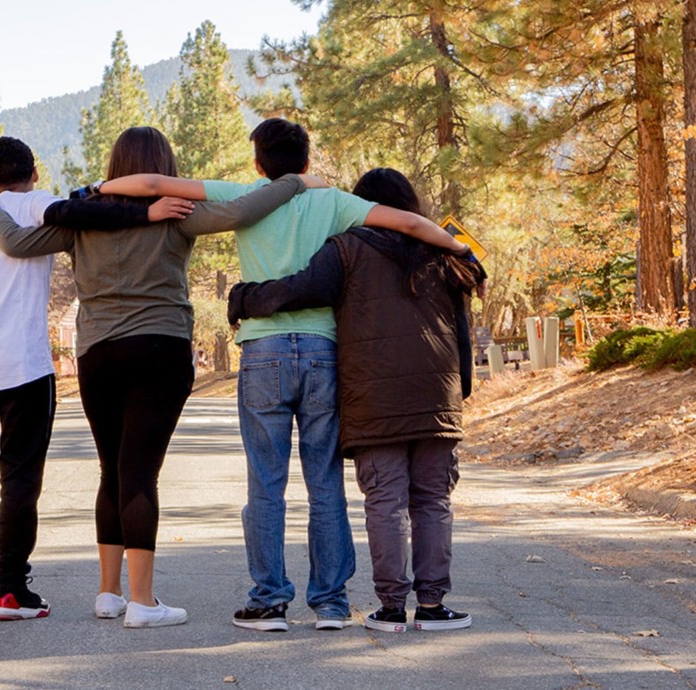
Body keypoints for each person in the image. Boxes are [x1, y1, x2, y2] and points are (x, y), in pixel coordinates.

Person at [89, 118, 470, 632]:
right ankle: (331, 603)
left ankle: (269, 601)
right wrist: (459, 248)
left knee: (265, 485)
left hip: (262, 351)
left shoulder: (247, 195)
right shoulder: (334, 202)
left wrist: (98, 188)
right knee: (325, 483)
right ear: (307, 162)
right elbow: (405, 222)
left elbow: (153, 185)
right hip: (321, 352)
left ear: (258, 164)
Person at [0, 126, 313, 628]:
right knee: (140, 474)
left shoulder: (85, 217)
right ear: (162, 167)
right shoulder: (175, 209)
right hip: (160, 348)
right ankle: (144, 603)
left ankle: (109, 593)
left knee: (113, 470)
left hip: (97, 353)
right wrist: (295, 183)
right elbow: (243, 210)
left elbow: (16, 242)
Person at [0, 136, 191, 621]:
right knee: (19, 480)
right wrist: (148, 214)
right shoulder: (40, 204)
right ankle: (10, 592)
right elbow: (94, 216)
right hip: (25, 367)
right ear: (34, 172)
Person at [228, 167, 484, 632]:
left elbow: (297, 290)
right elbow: (461, 327)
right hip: (436, 397)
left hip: (374, 397)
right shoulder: (443, 252)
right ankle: (432, 605)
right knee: (432, 500)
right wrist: (460, 388)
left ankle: (390, 608)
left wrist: (244, 299)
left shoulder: (346, 250)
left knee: (385, 500)